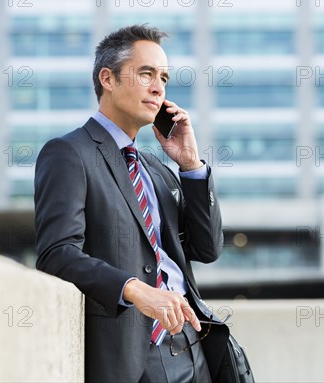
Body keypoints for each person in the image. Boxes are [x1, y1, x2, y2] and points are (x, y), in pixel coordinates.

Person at [34, 25, 227, 383]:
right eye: (146, 74)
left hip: (191, 347)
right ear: (107, 78)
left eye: (164, 78)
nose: (158, 88)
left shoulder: (158, 170)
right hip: (130, 354)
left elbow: (208, 248)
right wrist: (136, 290)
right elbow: (57, 254)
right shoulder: (68, 153)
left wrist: (191, 166)